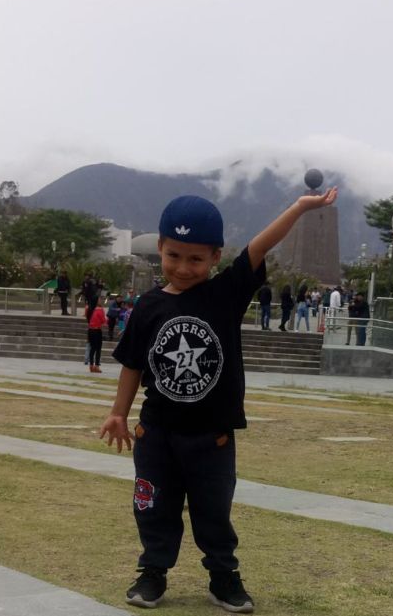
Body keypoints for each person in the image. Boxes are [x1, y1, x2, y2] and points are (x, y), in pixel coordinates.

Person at [100, 188, 337, 612]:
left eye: (196, 259)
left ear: (215, 257)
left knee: (213, 511)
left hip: (212, 438)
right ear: (160, 247)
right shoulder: (148, 306)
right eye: (174, 255)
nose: (183, 267)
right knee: (153, 507)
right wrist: (118, 413)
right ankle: (152, 572)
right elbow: (132, 364)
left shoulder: (226, 293)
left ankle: (223, 577)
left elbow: (259, 246)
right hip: (156, 433)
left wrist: (300, 208)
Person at [87, 296, 106, 372]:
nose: (101, 301)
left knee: (92, 348)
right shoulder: (100, 310)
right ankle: (97, 366)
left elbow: (88, 319)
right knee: (98, 349)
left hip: (90, 330)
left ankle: (91, 365)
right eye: (99, 299)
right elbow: (103, 321)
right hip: (97, 330)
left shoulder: (89, 309)